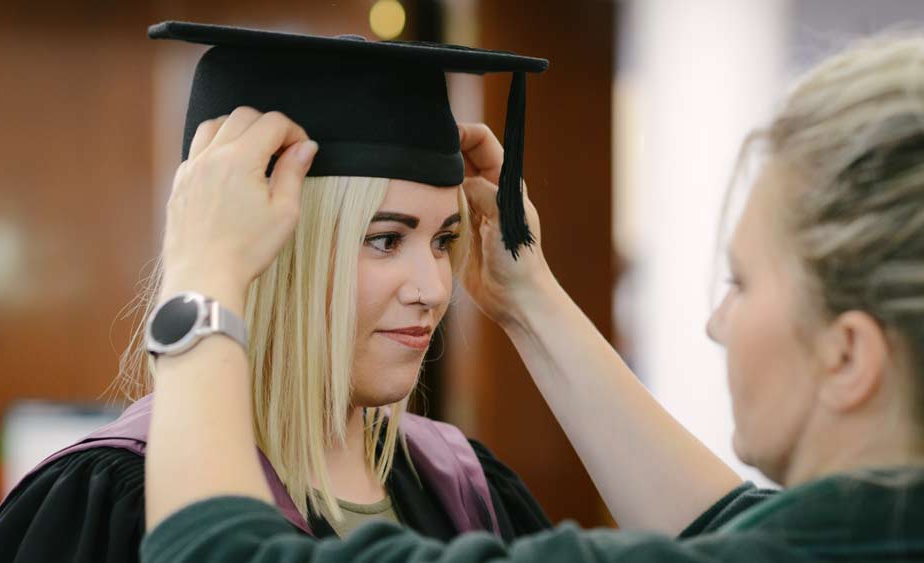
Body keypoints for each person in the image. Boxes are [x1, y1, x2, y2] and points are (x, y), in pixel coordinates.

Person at [141, 31, 924, 563]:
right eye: (387, 238)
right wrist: (527, 299)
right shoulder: (104, 490)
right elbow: (734, 530)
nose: (716, 323)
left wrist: (201, 280)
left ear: (850, 352)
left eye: (742, 283)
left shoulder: (461, 484)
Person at [0, 22, 554, 563]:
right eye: (384, 239)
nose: (433, 289)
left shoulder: (463, 485)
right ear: (274, 249)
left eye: (443, 240)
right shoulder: (114, 498)